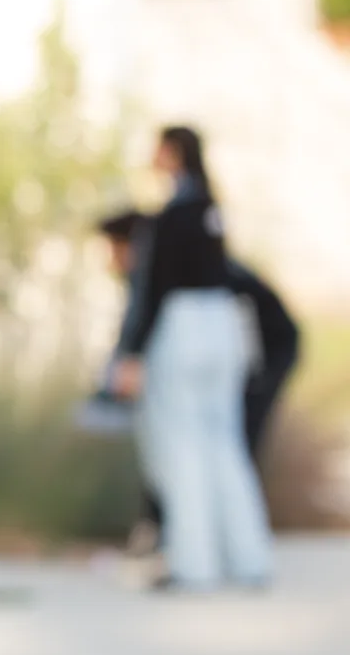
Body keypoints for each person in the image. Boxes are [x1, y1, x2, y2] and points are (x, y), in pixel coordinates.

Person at [109, 126, 274, 591]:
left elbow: (153, 289)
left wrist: (132, 353)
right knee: (224, 442)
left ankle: (194, 563)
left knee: (181, 445)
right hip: (222, 329)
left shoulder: (172, 216)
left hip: (182, 330)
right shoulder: (213, 212)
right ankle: (248, 558)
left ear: (173, 152)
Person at [99, 209, 302, 549]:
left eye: (114, 249)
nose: (111, 260)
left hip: (262, 358)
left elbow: (146, 321)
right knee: (210, 447)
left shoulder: (182, 270)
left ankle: (212, 545)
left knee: (222, 445)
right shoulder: (182, 268)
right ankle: (209, 545)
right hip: (234, 363)